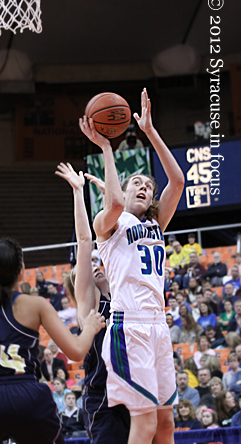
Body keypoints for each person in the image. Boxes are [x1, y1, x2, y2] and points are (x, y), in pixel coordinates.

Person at [79, 87, 185, 444]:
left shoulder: (156, 224)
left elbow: (179, 181)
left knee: (167, 425)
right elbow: (110, 202)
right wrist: (107, 148)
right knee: (144, 426)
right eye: (135, 183)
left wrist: (150, 132)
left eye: (147, 186)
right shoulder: (109, 225)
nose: (143, 186)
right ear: (123, 193)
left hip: (159, 325)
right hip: (130, 327)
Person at [0, 237, 105, 444]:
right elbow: (77, 351)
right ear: (21, 270)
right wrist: (90, 327)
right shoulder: (36, 305)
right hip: (26, 396)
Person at [56, 162, 130, 444]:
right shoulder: (89, 305)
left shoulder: (124, 290)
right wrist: (78, 192)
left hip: (136, 387)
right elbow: (86, 241)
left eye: (96, 262)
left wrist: (109, 196)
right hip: (104, 395)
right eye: (84, 270)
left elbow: (112, 230)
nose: (92, 267)